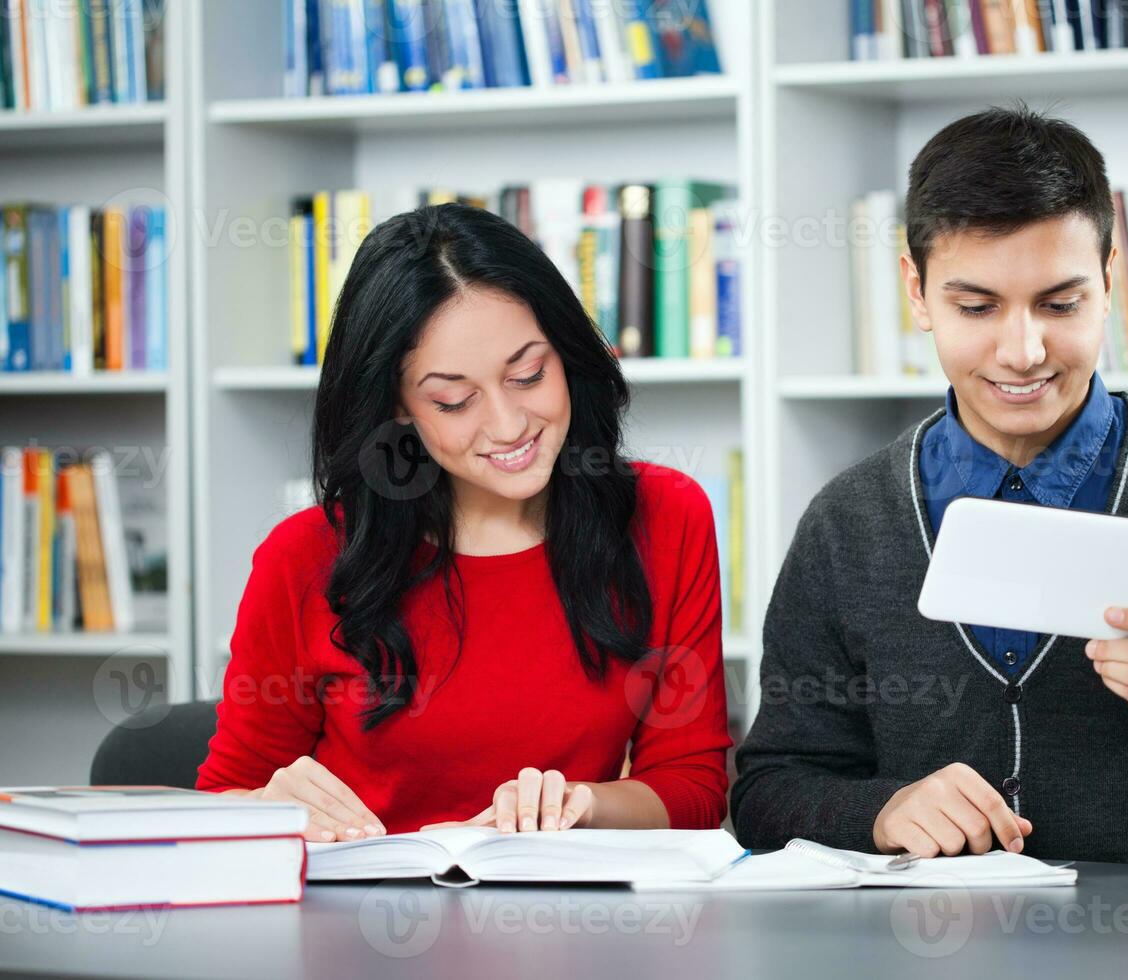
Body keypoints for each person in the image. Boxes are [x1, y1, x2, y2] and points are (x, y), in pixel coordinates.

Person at [731, 106, 1128, 876]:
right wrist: (882, 811)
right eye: (977, 307)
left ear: (1109, 281)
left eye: (1060, 305)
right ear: (917, 291)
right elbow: (767, 792)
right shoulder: (848, 519)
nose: (1022, 352)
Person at [197, 203, 730, 842]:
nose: (508, 425)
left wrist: (582, 803)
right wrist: (260, 807)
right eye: (454, 400)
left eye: (529, 374)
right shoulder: (304, 557)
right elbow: (221, 800)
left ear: (567, 353)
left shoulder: (666, 517)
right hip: (360, 925)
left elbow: (695, 788)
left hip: (568, 926)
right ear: (397, 408)